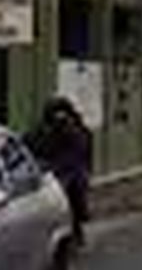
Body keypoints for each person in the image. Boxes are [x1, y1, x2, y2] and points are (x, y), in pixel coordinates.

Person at [25, 97, 94, 246]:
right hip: (49, 169)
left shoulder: (77, 130)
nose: (59, 119)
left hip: (70, 170)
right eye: (56, 115)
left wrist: (68, 129)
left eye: (62, 115)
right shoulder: (41, 130)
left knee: (74, 189)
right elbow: (31, 144)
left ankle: (77, 226)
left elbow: (81, 151)